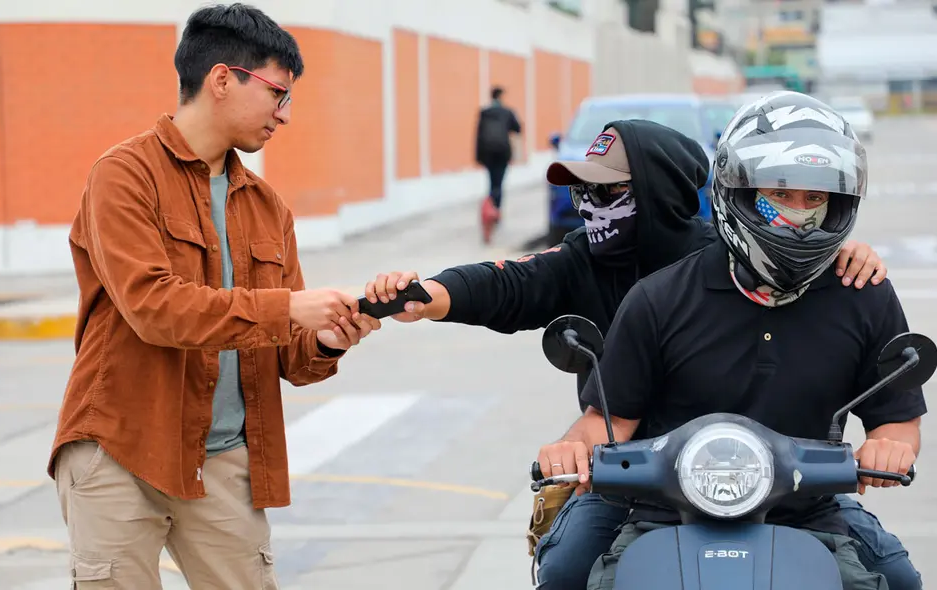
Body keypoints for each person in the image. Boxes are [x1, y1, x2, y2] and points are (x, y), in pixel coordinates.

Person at [362, 119, 902, 589]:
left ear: (657, 190)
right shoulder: (597, 266)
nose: (587, 205)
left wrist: (836, 254)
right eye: (584, 191)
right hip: (639, 486)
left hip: (786, 487)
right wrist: (427, 296)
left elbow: (794, 247)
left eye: (607, 190)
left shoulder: (740, 259)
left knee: (897, 578)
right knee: (568, 570)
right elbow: (508, 284)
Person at [45, 4, 380, 589]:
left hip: (224, 458)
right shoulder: (123, 175)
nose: (284, 115)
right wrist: (286, 309)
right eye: (278, 94)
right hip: (119, 449)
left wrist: (326, 338)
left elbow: (290, 356)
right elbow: (155, 307)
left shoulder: (268, 207)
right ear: (222, 78)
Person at [536, 92, 925, 590]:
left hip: (804, 511)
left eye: (815, 199)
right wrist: (568, 449)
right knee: (565, 573)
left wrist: (887, 447)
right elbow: (605, 425)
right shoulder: (659, 298)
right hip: (662, 510)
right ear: (736, 192)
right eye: (779, 195)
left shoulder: (863, 294)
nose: (798, 214)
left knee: (901, 581)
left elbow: (897, 420)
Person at [475, 86, 523, 243]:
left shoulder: (484, 112)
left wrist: (479, 157)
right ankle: (496, 214)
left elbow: (478, 135)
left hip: (488, 154)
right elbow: (518, 128)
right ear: (501, 96)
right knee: (499, 184)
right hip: (502, 152)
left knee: (491, 183)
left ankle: (489, 210)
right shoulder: (507, 112)